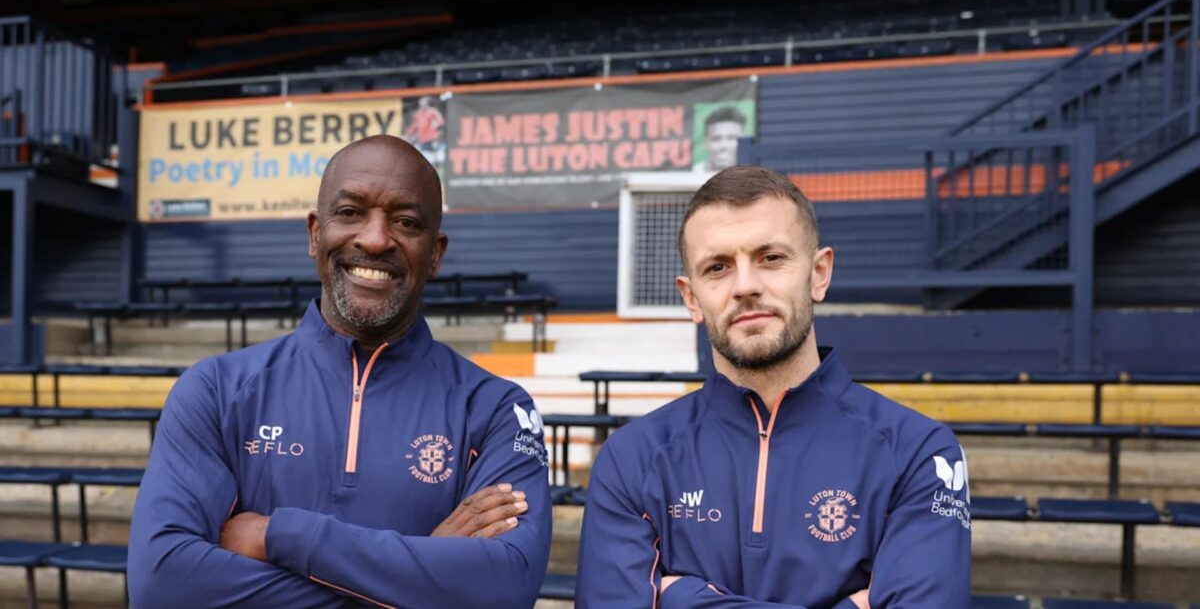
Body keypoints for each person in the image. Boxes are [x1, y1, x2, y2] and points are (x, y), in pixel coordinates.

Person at [128, 135, 551, 608]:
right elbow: (162, 586)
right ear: (314, 233)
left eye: (406, 222)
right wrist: (424, 582)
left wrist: (280, 536)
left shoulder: (495, 409)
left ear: (435, 254)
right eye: (350, 212)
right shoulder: (216, 391)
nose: (373, 239)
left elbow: (504, 589)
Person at [577, 166, 971, 608]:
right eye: (718, 267)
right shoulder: (632, 458)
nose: (746, 286)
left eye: (771, 258)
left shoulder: (919, 453)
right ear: (692, 298)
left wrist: (679, 596)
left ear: (819, 273)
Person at [693, 106, 747, 173]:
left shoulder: (754, 176)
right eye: (716, 139)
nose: (723, 146)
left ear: (744, 141)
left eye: (731, 138)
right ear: (705, 142)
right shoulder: (691, 174)